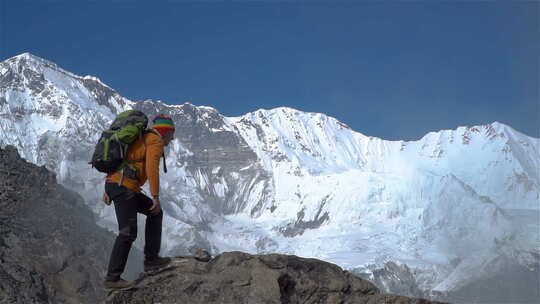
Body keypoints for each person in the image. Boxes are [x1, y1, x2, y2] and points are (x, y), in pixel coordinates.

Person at [103, 114, 175, 290]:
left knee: (154, 213)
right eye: (172, 134)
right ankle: (112, 278)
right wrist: (155, 197)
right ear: (165, 132)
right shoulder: (154, 141)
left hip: (120, 185)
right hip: (123, 187)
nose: (173, 138)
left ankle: (152, 260)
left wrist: (107, 187)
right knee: (128, 232)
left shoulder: (142, 138)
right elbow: (152, 168)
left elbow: (121, 160)